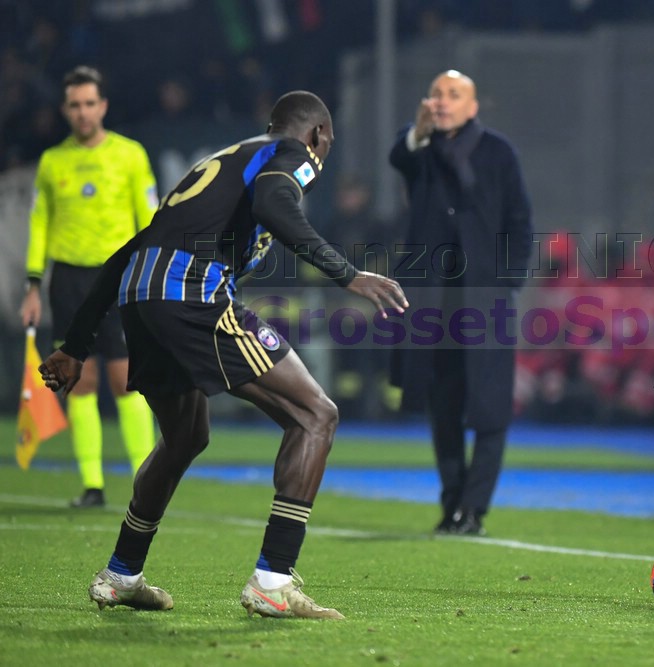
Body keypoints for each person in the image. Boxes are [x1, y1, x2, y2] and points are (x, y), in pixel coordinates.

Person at [38, 90, 408, 619]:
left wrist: (75, 345)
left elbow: (128, 253)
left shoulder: (226, 162)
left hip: (142, 296)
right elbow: (275, 204)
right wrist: (347, 274)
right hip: (189, 291)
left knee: (186, 436)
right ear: (318, 135)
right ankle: (273, 580)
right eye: (325, 143)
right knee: (316, 414)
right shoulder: (291, 153)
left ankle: (121, 574)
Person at [389, 70, 533, 536]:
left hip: (485, 297)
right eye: (436, 94)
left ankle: (474, 509)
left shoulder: (498, 152)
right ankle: (452, 505)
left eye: (454, 95)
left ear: (473, 107)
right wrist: (418, 130)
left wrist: (506, 282)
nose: (443, 101)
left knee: (490, 407)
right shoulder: (420, 148)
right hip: (434, 300)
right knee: (443, 406)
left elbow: (520, 220)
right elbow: (399, 156)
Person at [21, 66, 158, 508]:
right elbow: (40, 223)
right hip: (68, 281)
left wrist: (151, 275)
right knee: (78, 380)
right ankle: (92, 485)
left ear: (103, 106)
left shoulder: (130, 155)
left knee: (126, 379)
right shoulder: (52, 161)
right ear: (65, 110)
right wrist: (33, 284)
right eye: (74, 105)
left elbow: (150, 218)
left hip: (118, 277)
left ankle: (146, 482)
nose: (82, 112)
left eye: (89, 103)